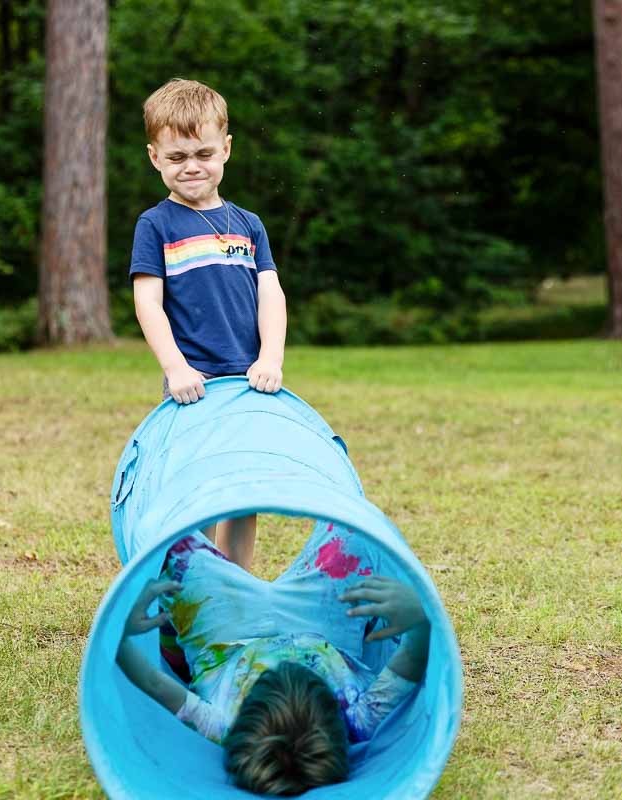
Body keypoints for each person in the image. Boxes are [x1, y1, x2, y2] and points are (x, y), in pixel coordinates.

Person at [115, 523, 431, 796]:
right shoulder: (359, 720)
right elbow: (414, 657)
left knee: (174, 547)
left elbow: (152, 681)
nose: (284, 666)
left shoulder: (223, 724)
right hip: (322, 628)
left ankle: (178, 642)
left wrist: (121, 629)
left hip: (227, 637)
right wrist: (419, 614)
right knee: (359, 535)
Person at [129, 78, 287, 571]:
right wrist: (176, 368)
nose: (191, 166)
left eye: (203, 153)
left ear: (226, 150)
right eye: (176, 158)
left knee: (242, 491)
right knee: (191, 488)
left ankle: (235, 585)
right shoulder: (156, 226)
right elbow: (147, 303)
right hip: (193, 384)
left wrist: (271, 358)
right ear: (155, 157)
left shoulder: (249, 224)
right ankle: (193, 583)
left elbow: (271, 294)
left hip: (249, 382)